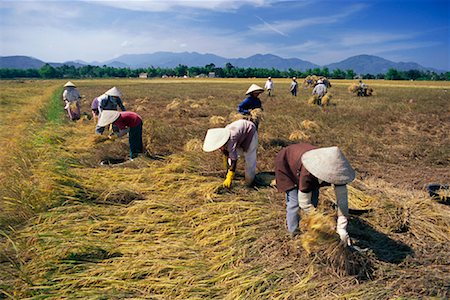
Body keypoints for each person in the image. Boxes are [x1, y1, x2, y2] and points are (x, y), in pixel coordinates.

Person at [274, 143, 355, 245]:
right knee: (294, 203)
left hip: (305, 168)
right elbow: (304, 203)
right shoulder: (308, 173)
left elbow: (342, 201)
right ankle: (294, 234)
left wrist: (342, 229)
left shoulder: (340, 171)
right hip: (287, 164)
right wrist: (320, 220)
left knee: (314, 198)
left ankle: (312, 230)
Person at [203, 119, 258, 188]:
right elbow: (225, 150)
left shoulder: (231, 139)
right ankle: (233, 173)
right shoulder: (223, 137)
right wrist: (226, 159)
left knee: (249, 157)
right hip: (240, 133)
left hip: (249, 130)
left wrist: (230, 175)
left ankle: (249, 183)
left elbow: (234, 159)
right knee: (232, 156)